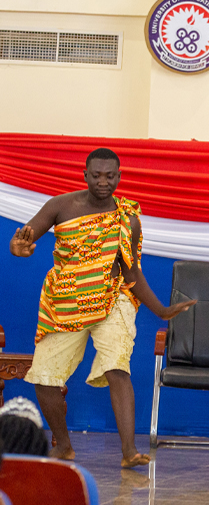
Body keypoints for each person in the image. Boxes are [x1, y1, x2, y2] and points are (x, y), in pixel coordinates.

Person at [8, 148, 196, 468]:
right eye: (96, 175)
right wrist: (18, 248)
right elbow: (22, 239)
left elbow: (131, 273)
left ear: (119, 177)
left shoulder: (128, 219)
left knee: (117, 364)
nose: (103, 182)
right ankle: (64, 446)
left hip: (112, 298)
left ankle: (128, 452)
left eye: (110, 176)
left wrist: (161, 310)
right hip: (66, 302)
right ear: (85, 175)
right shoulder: (60, 206)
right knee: (44, 377)